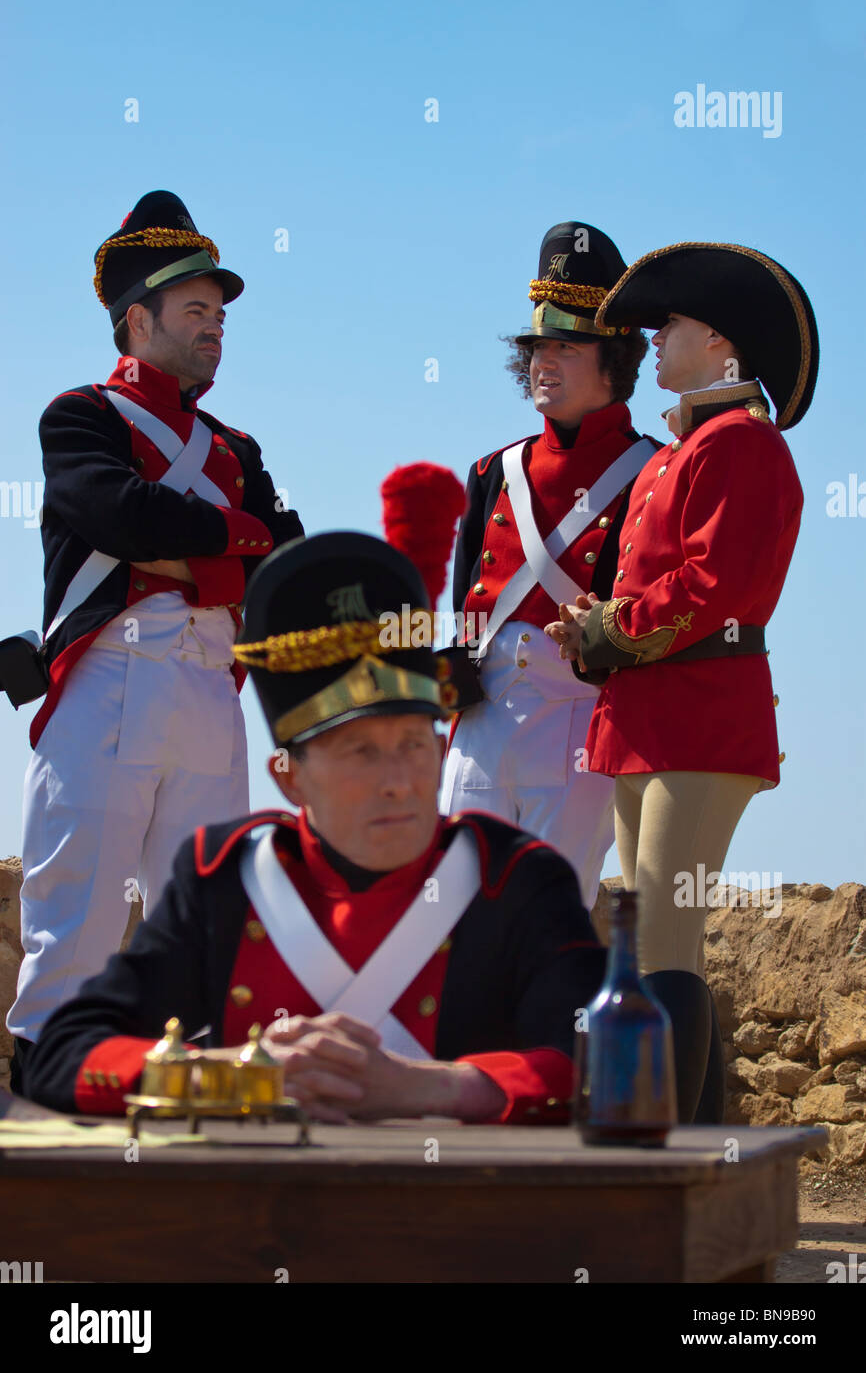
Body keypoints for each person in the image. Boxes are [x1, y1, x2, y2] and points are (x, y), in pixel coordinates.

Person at [22, 532, 607, 1124]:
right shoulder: (224, 880)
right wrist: (234, 1079)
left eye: (412, 745)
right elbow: (65, 1053)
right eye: (359, 752)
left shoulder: (517, 881)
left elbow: (601, 1061)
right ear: (289, 779)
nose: (398, 781)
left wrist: (427, 1088)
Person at [7, 191, 303, 1086]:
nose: (216, 328)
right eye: (195, 311)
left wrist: (192, 559)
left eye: (218, 313)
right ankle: (44, 1151)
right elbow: (114, 512)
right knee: (75, 934)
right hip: (108, 683)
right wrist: (233, 545)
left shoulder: (235, 445)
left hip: (212, 695)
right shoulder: (80, 417)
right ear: (136, 319)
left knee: (206, 925)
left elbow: (285, 557)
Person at [545, 241, 818, 1122]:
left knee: (663, 944)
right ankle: (695, 1159)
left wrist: (607, 630)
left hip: (700, 719)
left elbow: (715, 589)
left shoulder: (741, 445)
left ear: (722, 344)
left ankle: (684, 1171)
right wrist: (596, 636)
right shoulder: (683, 451)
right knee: (657, 942)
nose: (652, 341)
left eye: (671, 327)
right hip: (653, 717)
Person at [439, 221, 658, 910]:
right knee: (449, 906)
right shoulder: (492, 471)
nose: (544, 361)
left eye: (567, 344)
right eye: (538, 346)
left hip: (580, 718)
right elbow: (465, 595)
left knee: (547, 914)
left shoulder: (652, 470)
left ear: (614, 358)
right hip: (483, 715)